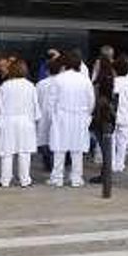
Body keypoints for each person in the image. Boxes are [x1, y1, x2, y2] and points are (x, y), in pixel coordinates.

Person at [48, 51, 95, 188]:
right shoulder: (85, 80)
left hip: (61, 115)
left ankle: (57, 177)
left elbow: (51, 102)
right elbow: (91, 101)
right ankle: (76, 178)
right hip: (80, 116)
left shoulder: (58, 79)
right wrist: (87, 115)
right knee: (77, 148)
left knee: (59, 147)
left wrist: (54, 116)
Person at [0, 59, 40, 188]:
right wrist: (35, 120)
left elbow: (1, 105)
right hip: (25, 121)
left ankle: (5, 180)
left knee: (7, 152)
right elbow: (35, 106)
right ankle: (25, 179)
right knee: (24, 152)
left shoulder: (5, 85)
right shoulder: (30, 86)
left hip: (8, 120)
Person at [88, 58, 117, 184]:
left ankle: (105, 174)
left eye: (96, 65)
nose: (95, 66)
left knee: (104, 146)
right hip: (110, 117)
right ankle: (106, 173)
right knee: (106, 147)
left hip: (101, 117)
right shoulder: (113, 79)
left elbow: (93, 100)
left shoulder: (99, 82)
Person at [36, 58, 61, 172]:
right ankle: (56, 164)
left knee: (44, 140)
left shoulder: (40, 84)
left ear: (47, 71)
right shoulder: (62, 83)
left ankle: (48, 163)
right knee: (57, 140)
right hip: (58, 115)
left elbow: (35, 101)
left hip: (43, 114)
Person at [112, 55, 128, 173]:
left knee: (112, 139)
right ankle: (120, 164)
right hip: (126, 115)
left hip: (115, 114)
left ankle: (112, 163)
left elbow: (114, 98)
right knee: (122, 141)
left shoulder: (114, 82)